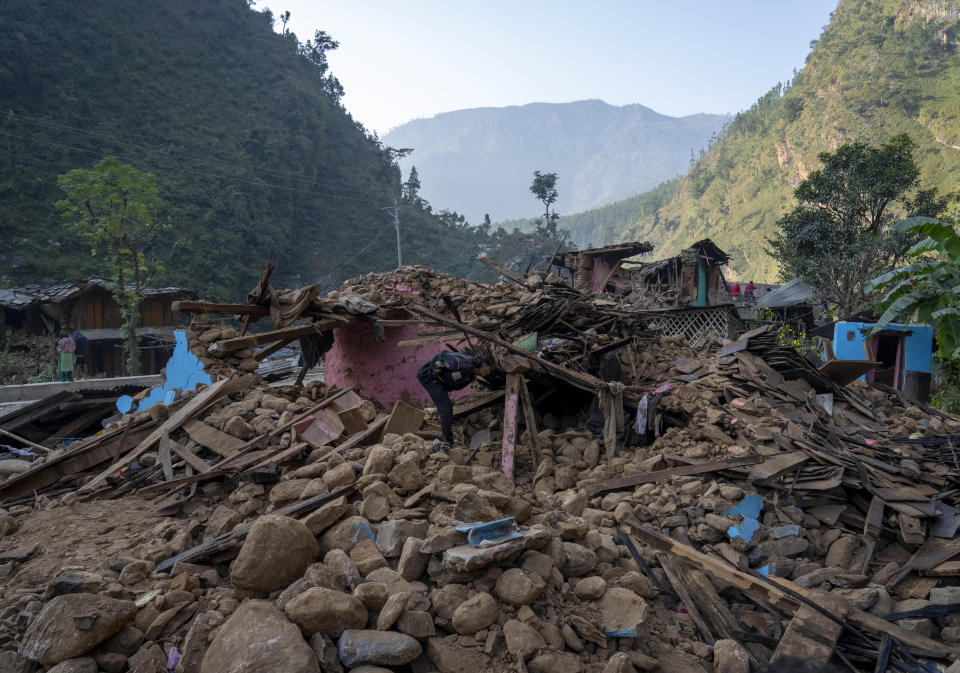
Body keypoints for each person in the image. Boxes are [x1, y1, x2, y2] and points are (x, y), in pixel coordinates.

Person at [417, 351, 494, 447]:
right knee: (446, 407)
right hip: (428, 375)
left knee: (446, 406)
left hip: (437, 380)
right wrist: (433, 376)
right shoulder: (464, 364)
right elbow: (440, 361)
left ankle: (447, 440)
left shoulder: (471, 372)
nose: (489, 372)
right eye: (489, 369)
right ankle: (448, 442)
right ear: (484, 364)